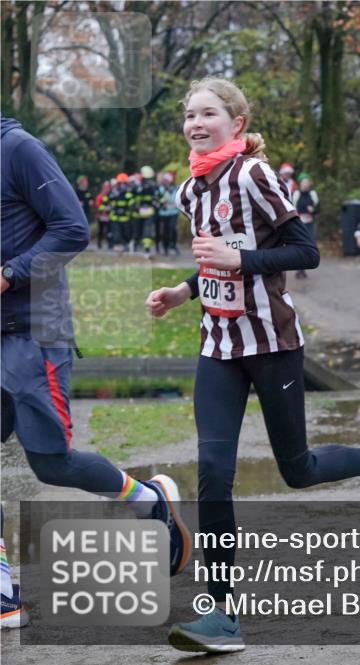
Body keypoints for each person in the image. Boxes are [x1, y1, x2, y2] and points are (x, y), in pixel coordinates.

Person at [144, 78, 360, 653]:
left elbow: (306, 251)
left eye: (208, 114)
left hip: (273, 344)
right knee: (213, 472)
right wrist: (183, 291)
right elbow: (214, 261)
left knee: (296, 468)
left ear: (237, 123)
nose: (196, 124)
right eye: (189, 115)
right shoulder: (190, 191)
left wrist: (239, 259)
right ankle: (222, 615)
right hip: (218, 347)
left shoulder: (255, 176)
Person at [1, 115, 189, 629]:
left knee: (52, 464)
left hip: (32, 330)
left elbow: (72, 229)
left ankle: (148, 500)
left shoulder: (18, 149)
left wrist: (9, 273)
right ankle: (2, 589)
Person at [291, 174, 320, 278]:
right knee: (299, 245)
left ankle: (303, 268)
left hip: (310, 224)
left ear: (309, 184)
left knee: (309, 245)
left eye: (307, 182)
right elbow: (291, 208)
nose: (305, 184)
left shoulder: (313, 194)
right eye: (303, 182)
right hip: (299, 223)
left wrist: (313, 210)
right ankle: (299, 269)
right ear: (300, 184)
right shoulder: (296, 194)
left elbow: (318, 209)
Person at [132, 165, 159, 256]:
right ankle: (146, 248)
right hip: (148, 212)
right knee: (147, 230)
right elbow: (157, 199)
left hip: (139, 212)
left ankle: (137, 245)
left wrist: (134, 207)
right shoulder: (154, 186)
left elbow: (132, 197)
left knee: (138, 230)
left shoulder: (137, 186)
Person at [108, 172, 133, 251]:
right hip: (116, 216)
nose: (122, 185)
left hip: (125, 217)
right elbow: (110, 201)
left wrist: (126, 210)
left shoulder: (128, 192)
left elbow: (131, 203)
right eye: (120, 183)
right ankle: (118, 246)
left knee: (126, 232)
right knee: (116, 232)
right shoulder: (114, 191)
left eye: (124, 183)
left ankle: (126, 245)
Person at [157, 170, 180, 256]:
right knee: (164, 231)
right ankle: (165, 247)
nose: (166, 181)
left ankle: (173, 246)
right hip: (163, 213)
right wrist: (162, 201)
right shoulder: (160, 189)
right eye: (165, 180)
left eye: (168, 180)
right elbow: (157, 200)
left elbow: (178, 200)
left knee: (173, 229)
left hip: (173, 212)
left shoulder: (176, 188)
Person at [93, 180, 112, 250]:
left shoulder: (111, 196)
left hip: (108, 216)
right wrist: (103, 210)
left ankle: (110, 244)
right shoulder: (100, 196)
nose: (107, 189)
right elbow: (97, 205)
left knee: (109, 230)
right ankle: (99, 244)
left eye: (108, 188)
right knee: (100, 231)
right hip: (101, 216)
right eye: (105, 188)